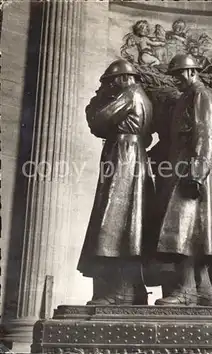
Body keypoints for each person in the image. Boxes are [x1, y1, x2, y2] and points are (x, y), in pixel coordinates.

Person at [77, 59, 154, 305]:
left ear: (122, 79)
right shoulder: (140, 95)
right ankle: (126, 289)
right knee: (125, 222)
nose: (109, 87)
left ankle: (119, 291)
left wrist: (96, 100)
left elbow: (99, 120)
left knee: (115, 219)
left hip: (123, 156)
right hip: (130, 153)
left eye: (111, 82)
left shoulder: (129, 94)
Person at [153, 54, 212, 306]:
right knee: (194, 231)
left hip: (191, 167)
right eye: (175, 75)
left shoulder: (201, 95)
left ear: (193, 72)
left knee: (184, 230)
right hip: (183, 163)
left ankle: (186, 289)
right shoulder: (187, 96)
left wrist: (197, 172)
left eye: (180, 74)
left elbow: (208, 134)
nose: (177, 79)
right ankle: (204, 288)